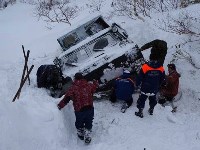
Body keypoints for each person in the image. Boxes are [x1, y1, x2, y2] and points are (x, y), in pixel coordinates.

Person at [57, 72, 99, 144]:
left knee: (79, 122)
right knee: (89, 121)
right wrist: (95, 82)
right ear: (82, 78)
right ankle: (88, 134)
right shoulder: (89, 85)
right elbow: (95, 87)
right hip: (90, 108)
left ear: (75, 78)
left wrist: (60, 105)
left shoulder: (73, 88)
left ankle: (81, 133)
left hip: (80, 110)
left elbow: (66, 98)